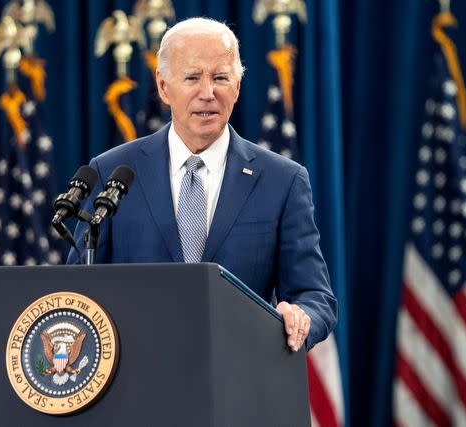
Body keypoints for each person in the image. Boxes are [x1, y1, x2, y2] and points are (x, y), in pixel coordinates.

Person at [68, 17, 336, 352]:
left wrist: (300, 315)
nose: (207, 93)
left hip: (239, 383)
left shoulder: (283, 181)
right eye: (193, 77)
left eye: (221, 78)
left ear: (237, 86)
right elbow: (75, 292)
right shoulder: (112, 172)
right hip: (137, 384)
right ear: (164, 86)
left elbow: (316, 296)